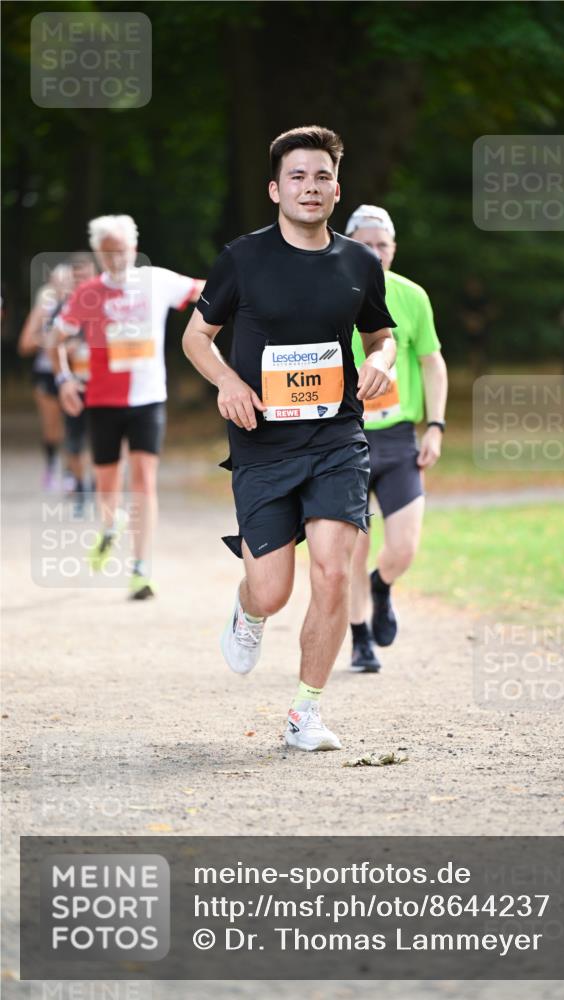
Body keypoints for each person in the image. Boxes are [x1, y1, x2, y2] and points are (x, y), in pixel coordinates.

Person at [182, 125, 396, 752]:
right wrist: (226, 382)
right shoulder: (242, 259)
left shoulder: (359, 262)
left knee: (333, 574)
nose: (310, 186)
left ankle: (306, 713)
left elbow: (380, 336)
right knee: (273, 589)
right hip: (262, 442)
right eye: (297, 176)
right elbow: (197, 337)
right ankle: (248, 610)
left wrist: (381, 359)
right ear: (276, 189)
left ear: (337, 188)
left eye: (322, 176)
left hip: (337, 436)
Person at [51, 214, 204, 599]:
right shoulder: (88, 293)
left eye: (120, 250)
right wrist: (64, 379)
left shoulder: (157, 281)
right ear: (99, 254)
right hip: (102, 400)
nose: (115, 258)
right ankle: (110, 524)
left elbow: (208, 291)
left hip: (148, 399)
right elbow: (55, 339)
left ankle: (140, 568)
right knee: (107, 485)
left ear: (134, 248)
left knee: (144, 480)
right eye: (107, 252)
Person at [346, 205, 447, 673]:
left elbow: (431, 361)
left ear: (393, 249)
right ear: (348, 244)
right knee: (351, 545)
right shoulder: (328, 293)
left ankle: (382, 587)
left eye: (382, 244)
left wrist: (436, 425)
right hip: (342, 438)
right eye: (364, 243)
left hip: (398, 438)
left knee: (403, 547)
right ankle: (359, 638)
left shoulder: (411, 296)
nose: (374, 252)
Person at [17, 264, 73, 491]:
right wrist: (48, 341)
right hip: (46, 373)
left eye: (67, 281)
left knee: (73, 424)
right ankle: (51, 467)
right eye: (58, 282)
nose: (63, 286)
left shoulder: (79, 307)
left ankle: (72, 474)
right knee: (52, 427)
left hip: (72, 372)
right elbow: (24, 344)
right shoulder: (44, 309)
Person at [58, 252, 98, 514]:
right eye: (76, 276)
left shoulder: (106, 303)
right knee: (74, 440)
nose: (80, 280)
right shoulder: (65, 306)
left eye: (84, 275)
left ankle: (96, 487)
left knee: (101, 440)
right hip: (75, 383)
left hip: (102, 383)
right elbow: (53, 341)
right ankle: (82, 488)